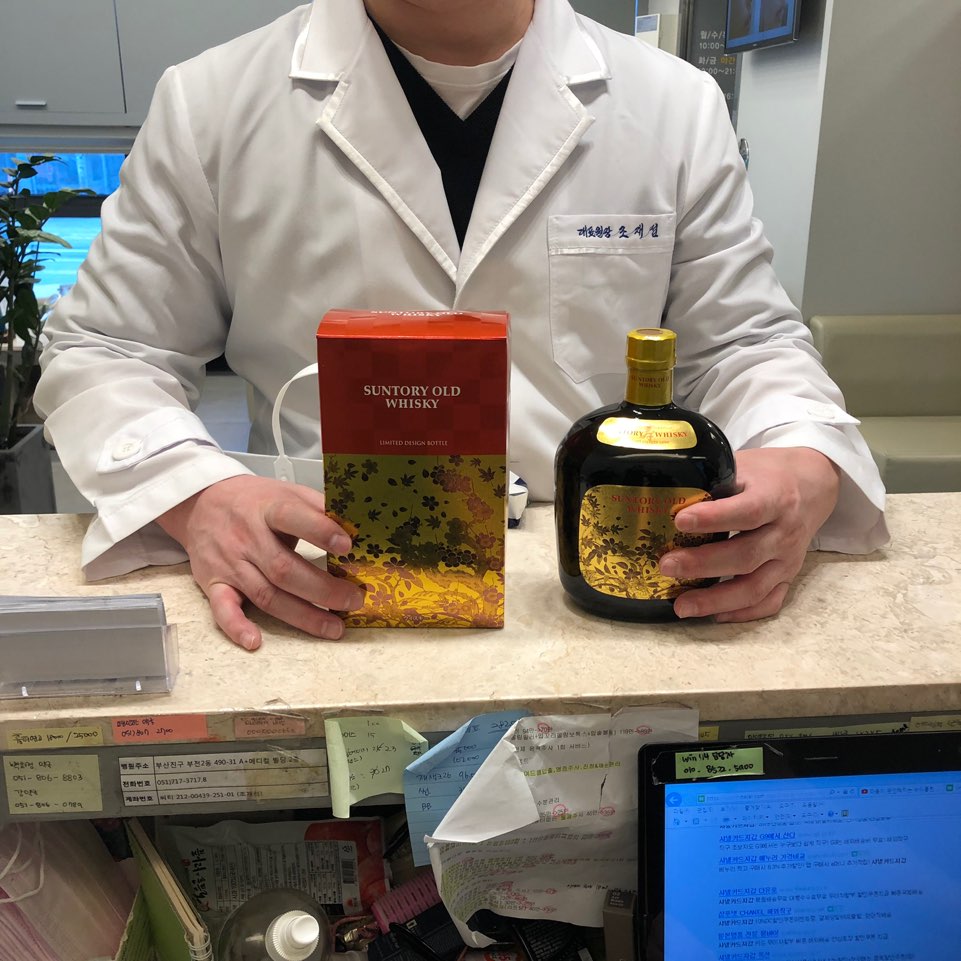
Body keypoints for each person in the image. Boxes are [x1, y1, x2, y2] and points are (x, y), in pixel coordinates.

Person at [35, 0, 888, 650]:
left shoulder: (672, 106)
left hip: (599, 593)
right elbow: (106, 348)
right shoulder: (212, 102)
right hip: (320, 586)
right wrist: (196, 496)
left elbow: (745, 345)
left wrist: (802, 458)